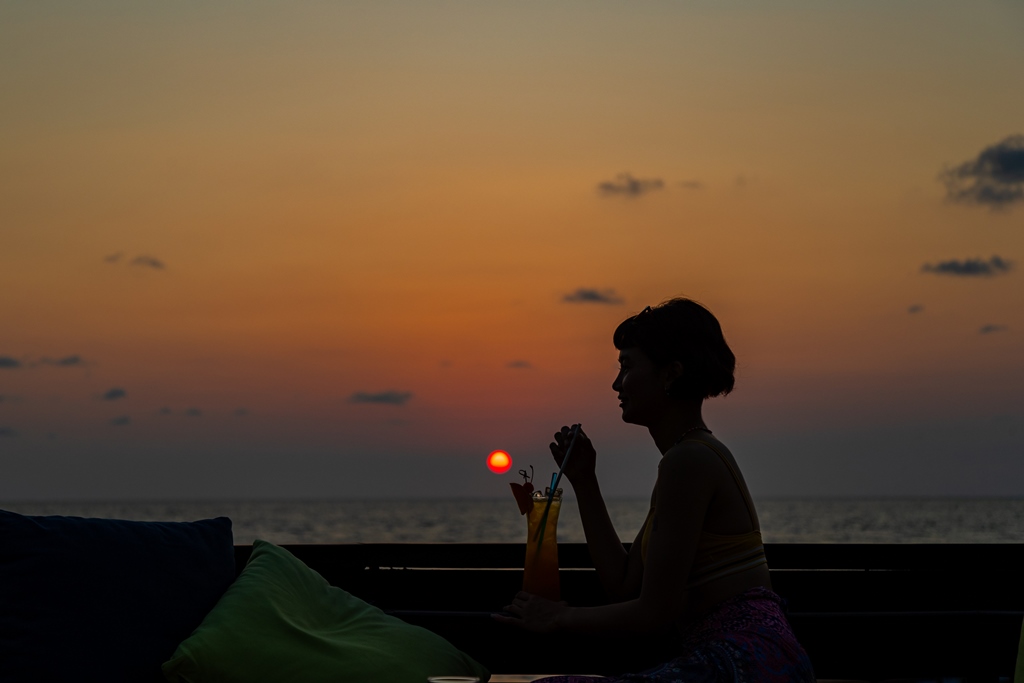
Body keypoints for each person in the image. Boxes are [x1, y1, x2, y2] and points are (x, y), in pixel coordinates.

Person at [493, 298, 815, 682]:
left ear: (670, 374)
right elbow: (625, 588)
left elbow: (652, 615)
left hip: (749, 662)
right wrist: (585, 481)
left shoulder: (688, 462)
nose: (616, 383)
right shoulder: (685, 458)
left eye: (627, 366)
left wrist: (558, 616)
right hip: (743, 659)